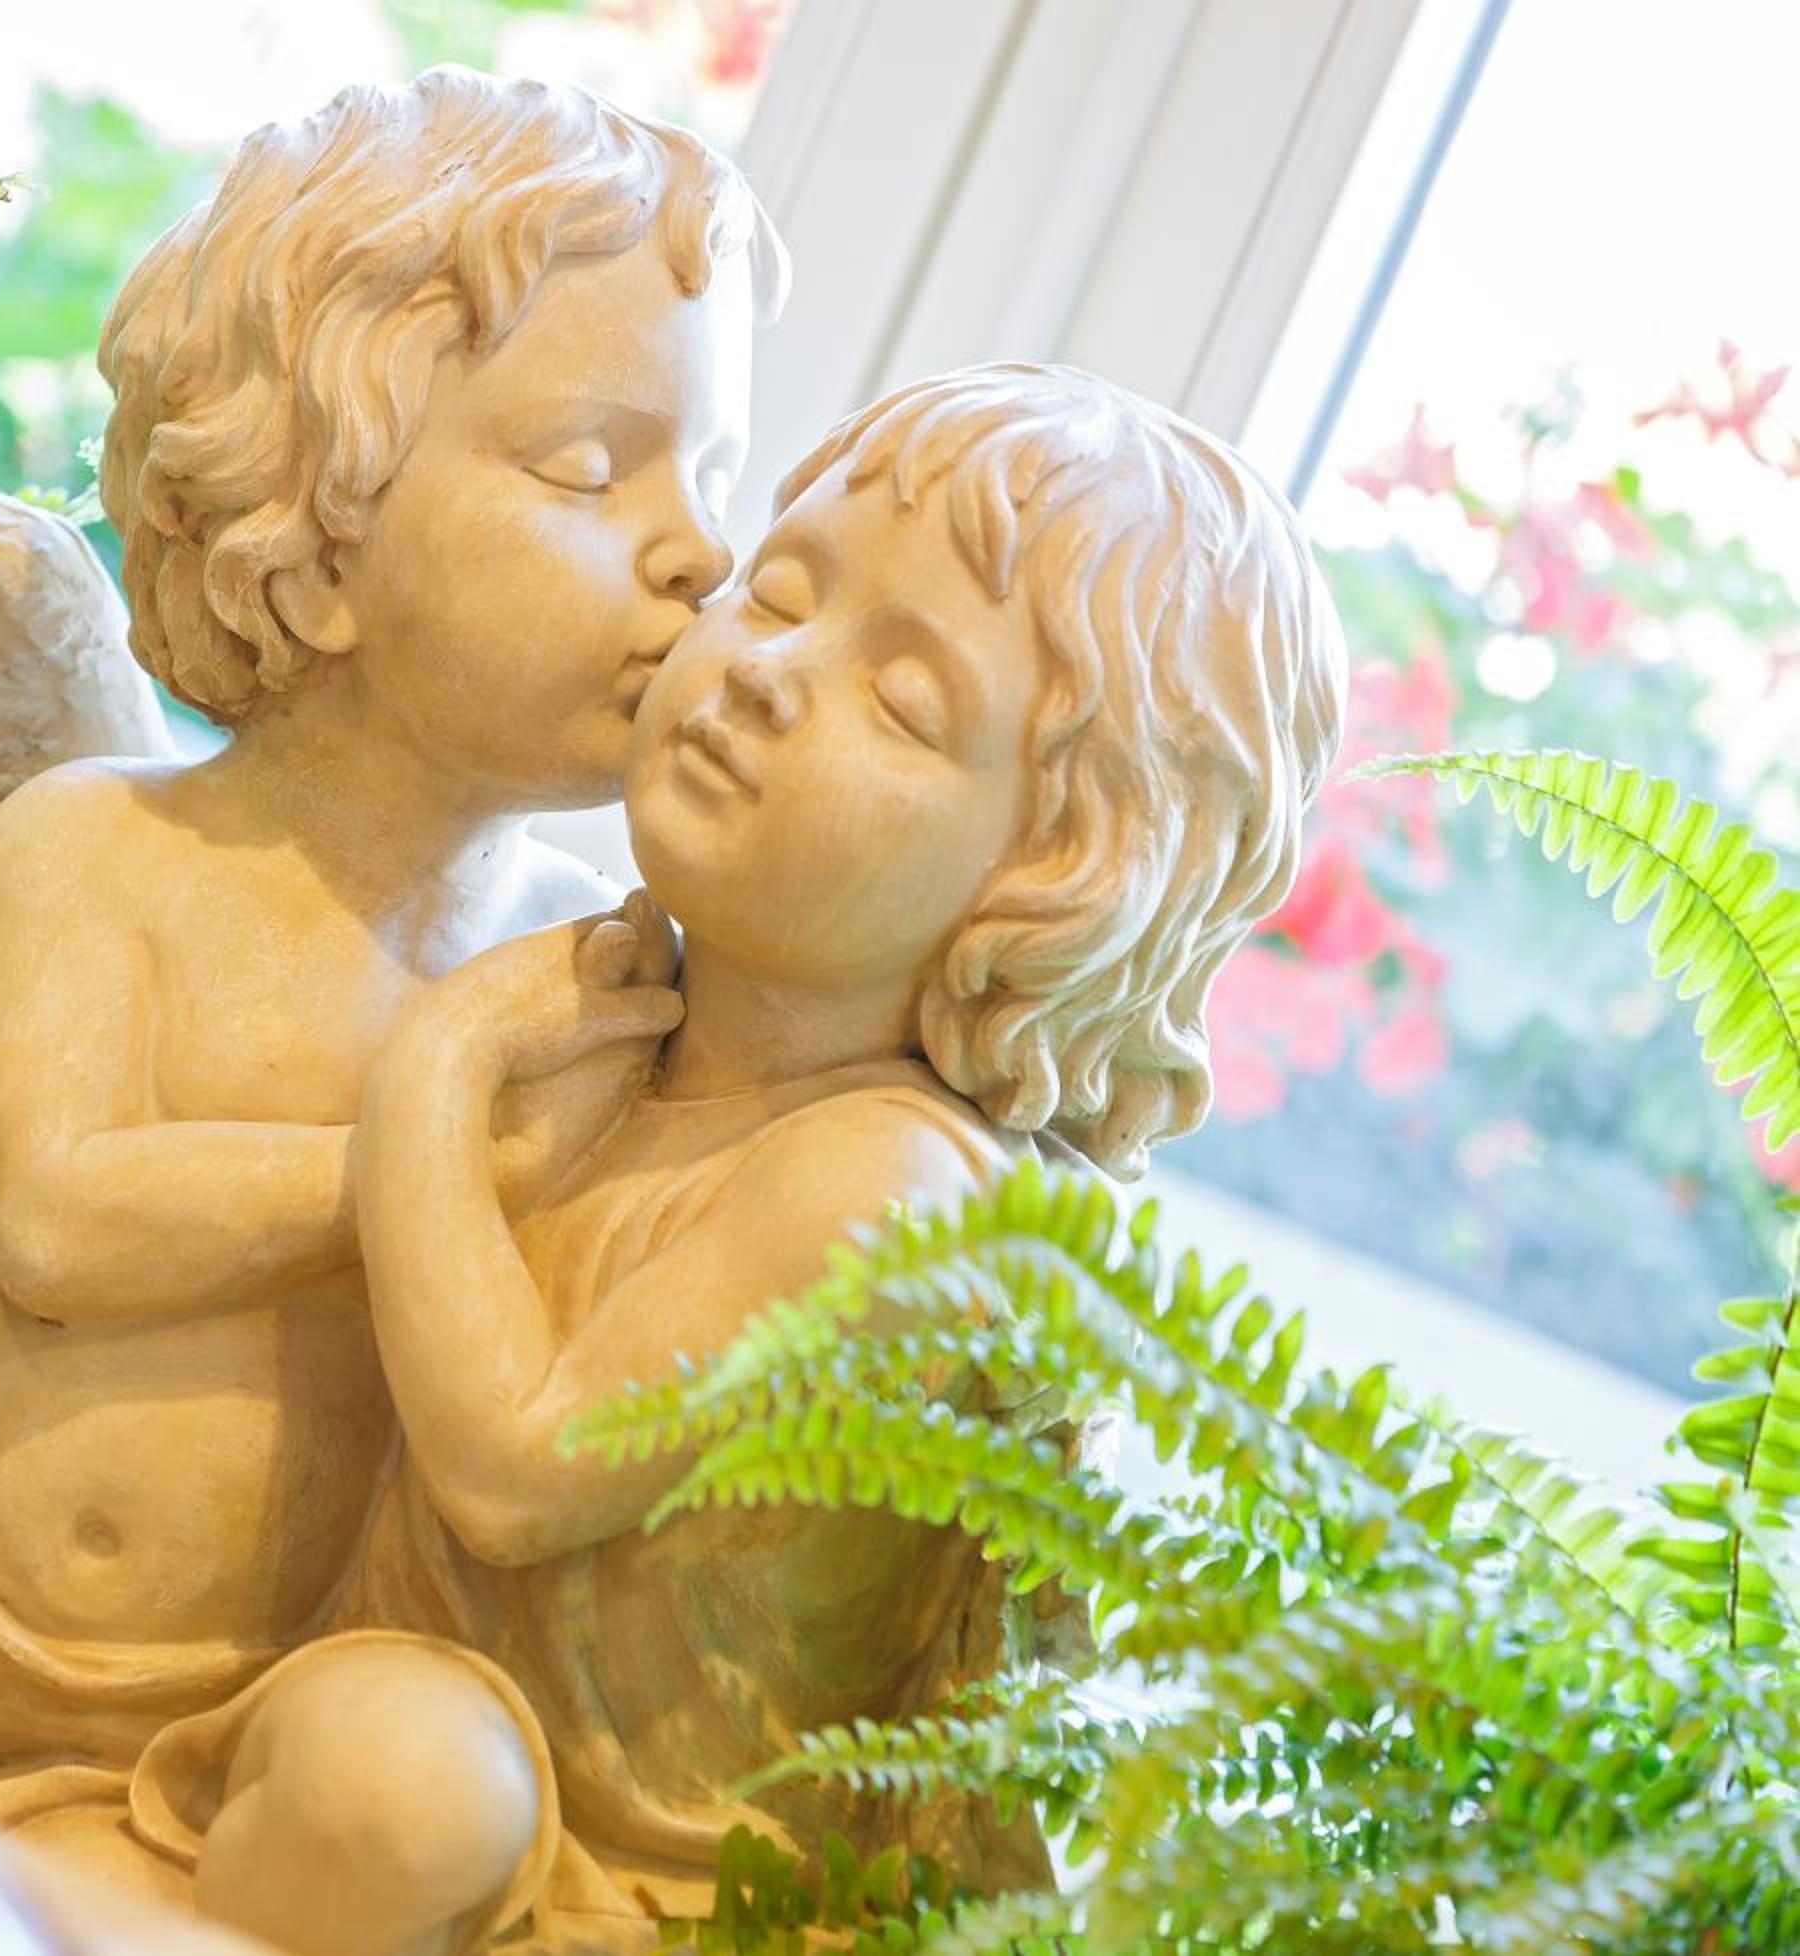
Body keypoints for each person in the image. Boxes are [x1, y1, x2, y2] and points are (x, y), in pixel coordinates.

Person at [129, 362, 1352, 1954]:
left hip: (657, 1900)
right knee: (383, 1764)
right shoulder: (617, 1035)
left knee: (397, 1785)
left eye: (905, 704)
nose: (770, 670)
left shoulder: (892, 1188)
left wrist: (431, 1071)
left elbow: (510, 1468)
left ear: (1049, 887)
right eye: (778, 589)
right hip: (430, 1758)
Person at [0, 68, 789, 1891]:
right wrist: (439, 1145)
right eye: (589, 467)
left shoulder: (598, 977)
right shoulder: (98, 846)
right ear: (312, 542)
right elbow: (60, 1220)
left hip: (164, 1749)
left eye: (711, 477)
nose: (703, 551)